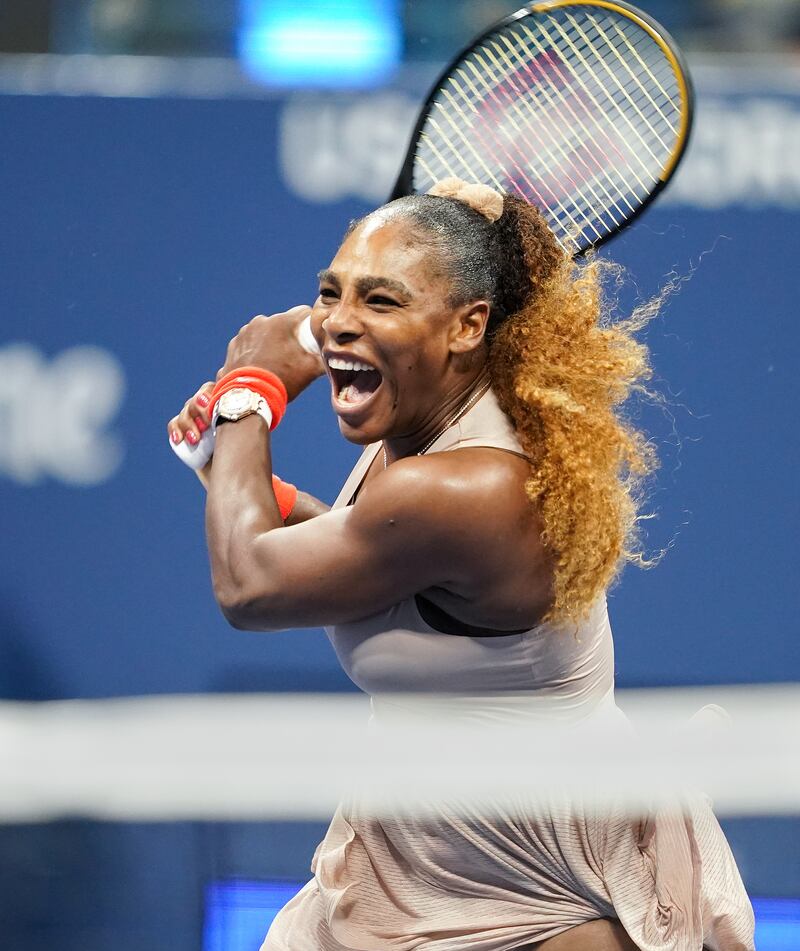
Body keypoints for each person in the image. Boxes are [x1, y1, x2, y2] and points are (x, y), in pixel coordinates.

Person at [168, 178, 755, 950]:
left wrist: (254, 389)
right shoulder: (419, 434)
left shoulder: (469, 485)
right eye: (330, 293)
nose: (339, 322)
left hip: (548, 885)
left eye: (381, 301)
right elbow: (375, 565)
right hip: (417, 852)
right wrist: (245, 486)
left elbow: (249, 586)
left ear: (468, 324)